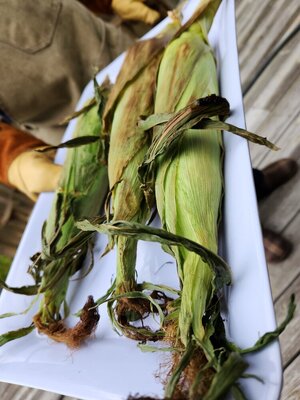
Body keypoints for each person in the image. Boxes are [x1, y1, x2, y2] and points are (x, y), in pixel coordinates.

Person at [0, 0, 297, 263]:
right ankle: (239, 235)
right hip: (69, 119)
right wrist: (12, 160)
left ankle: (255, 186)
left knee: (196, 140)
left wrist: (109, 3)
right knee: (155, 187)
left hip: (118, 55)